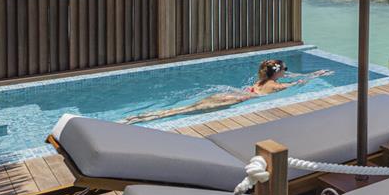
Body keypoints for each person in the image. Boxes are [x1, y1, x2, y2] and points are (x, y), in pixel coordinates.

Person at [123, 59, 333, 124]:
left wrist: (293, 72)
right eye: (285, 69)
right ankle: (142, 119)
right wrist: (316, 75)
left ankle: (139, 116)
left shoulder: (262, 80)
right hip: (233, 100)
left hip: (228, 94)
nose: (287, 71)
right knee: (185, 111)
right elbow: (299, 83)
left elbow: (290, 75)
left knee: (183, 108)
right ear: (278, 73)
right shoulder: (276, 86)